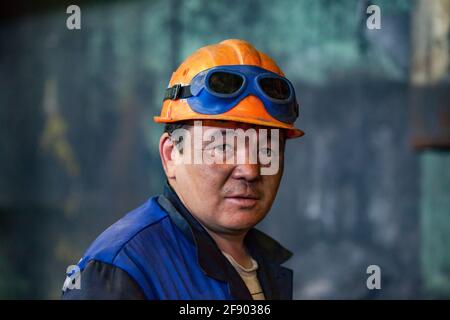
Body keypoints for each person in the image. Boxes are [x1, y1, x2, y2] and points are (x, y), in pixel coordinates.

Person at [61, 39, 304, 300]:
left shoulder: (264, 263)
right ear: (171, 154)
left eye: (266, 150)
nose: (250, 170)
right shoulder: (120, 269)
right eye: (222, 146)